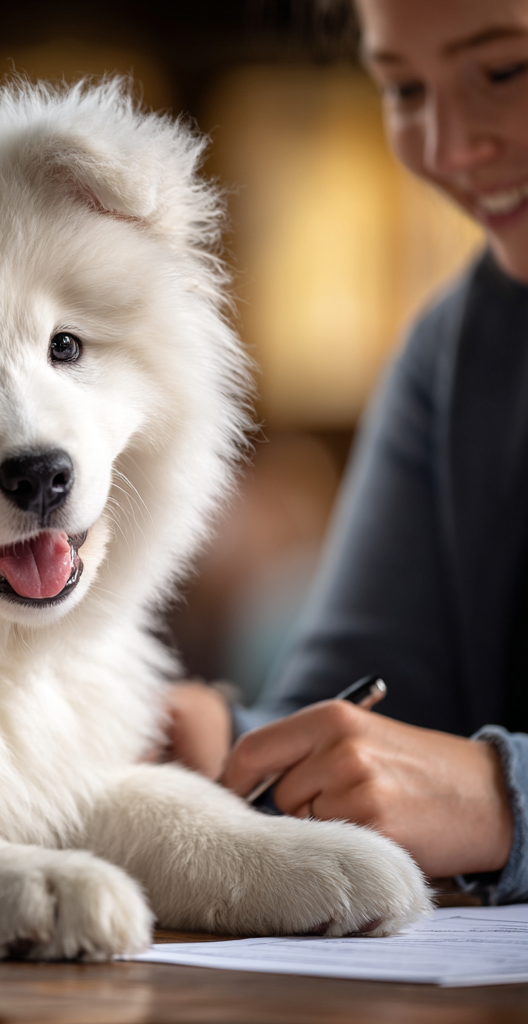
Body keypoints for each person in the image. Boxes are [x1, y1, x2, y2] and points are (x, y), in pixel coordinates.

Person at [169, 0, 528, 902]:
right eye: (404, 87)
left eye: (502, 70)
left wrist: (501, 799)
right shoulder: (455, 355)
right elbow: (361, 709)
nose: (446, 148)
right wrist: (222, 741)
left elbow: (457, 788)